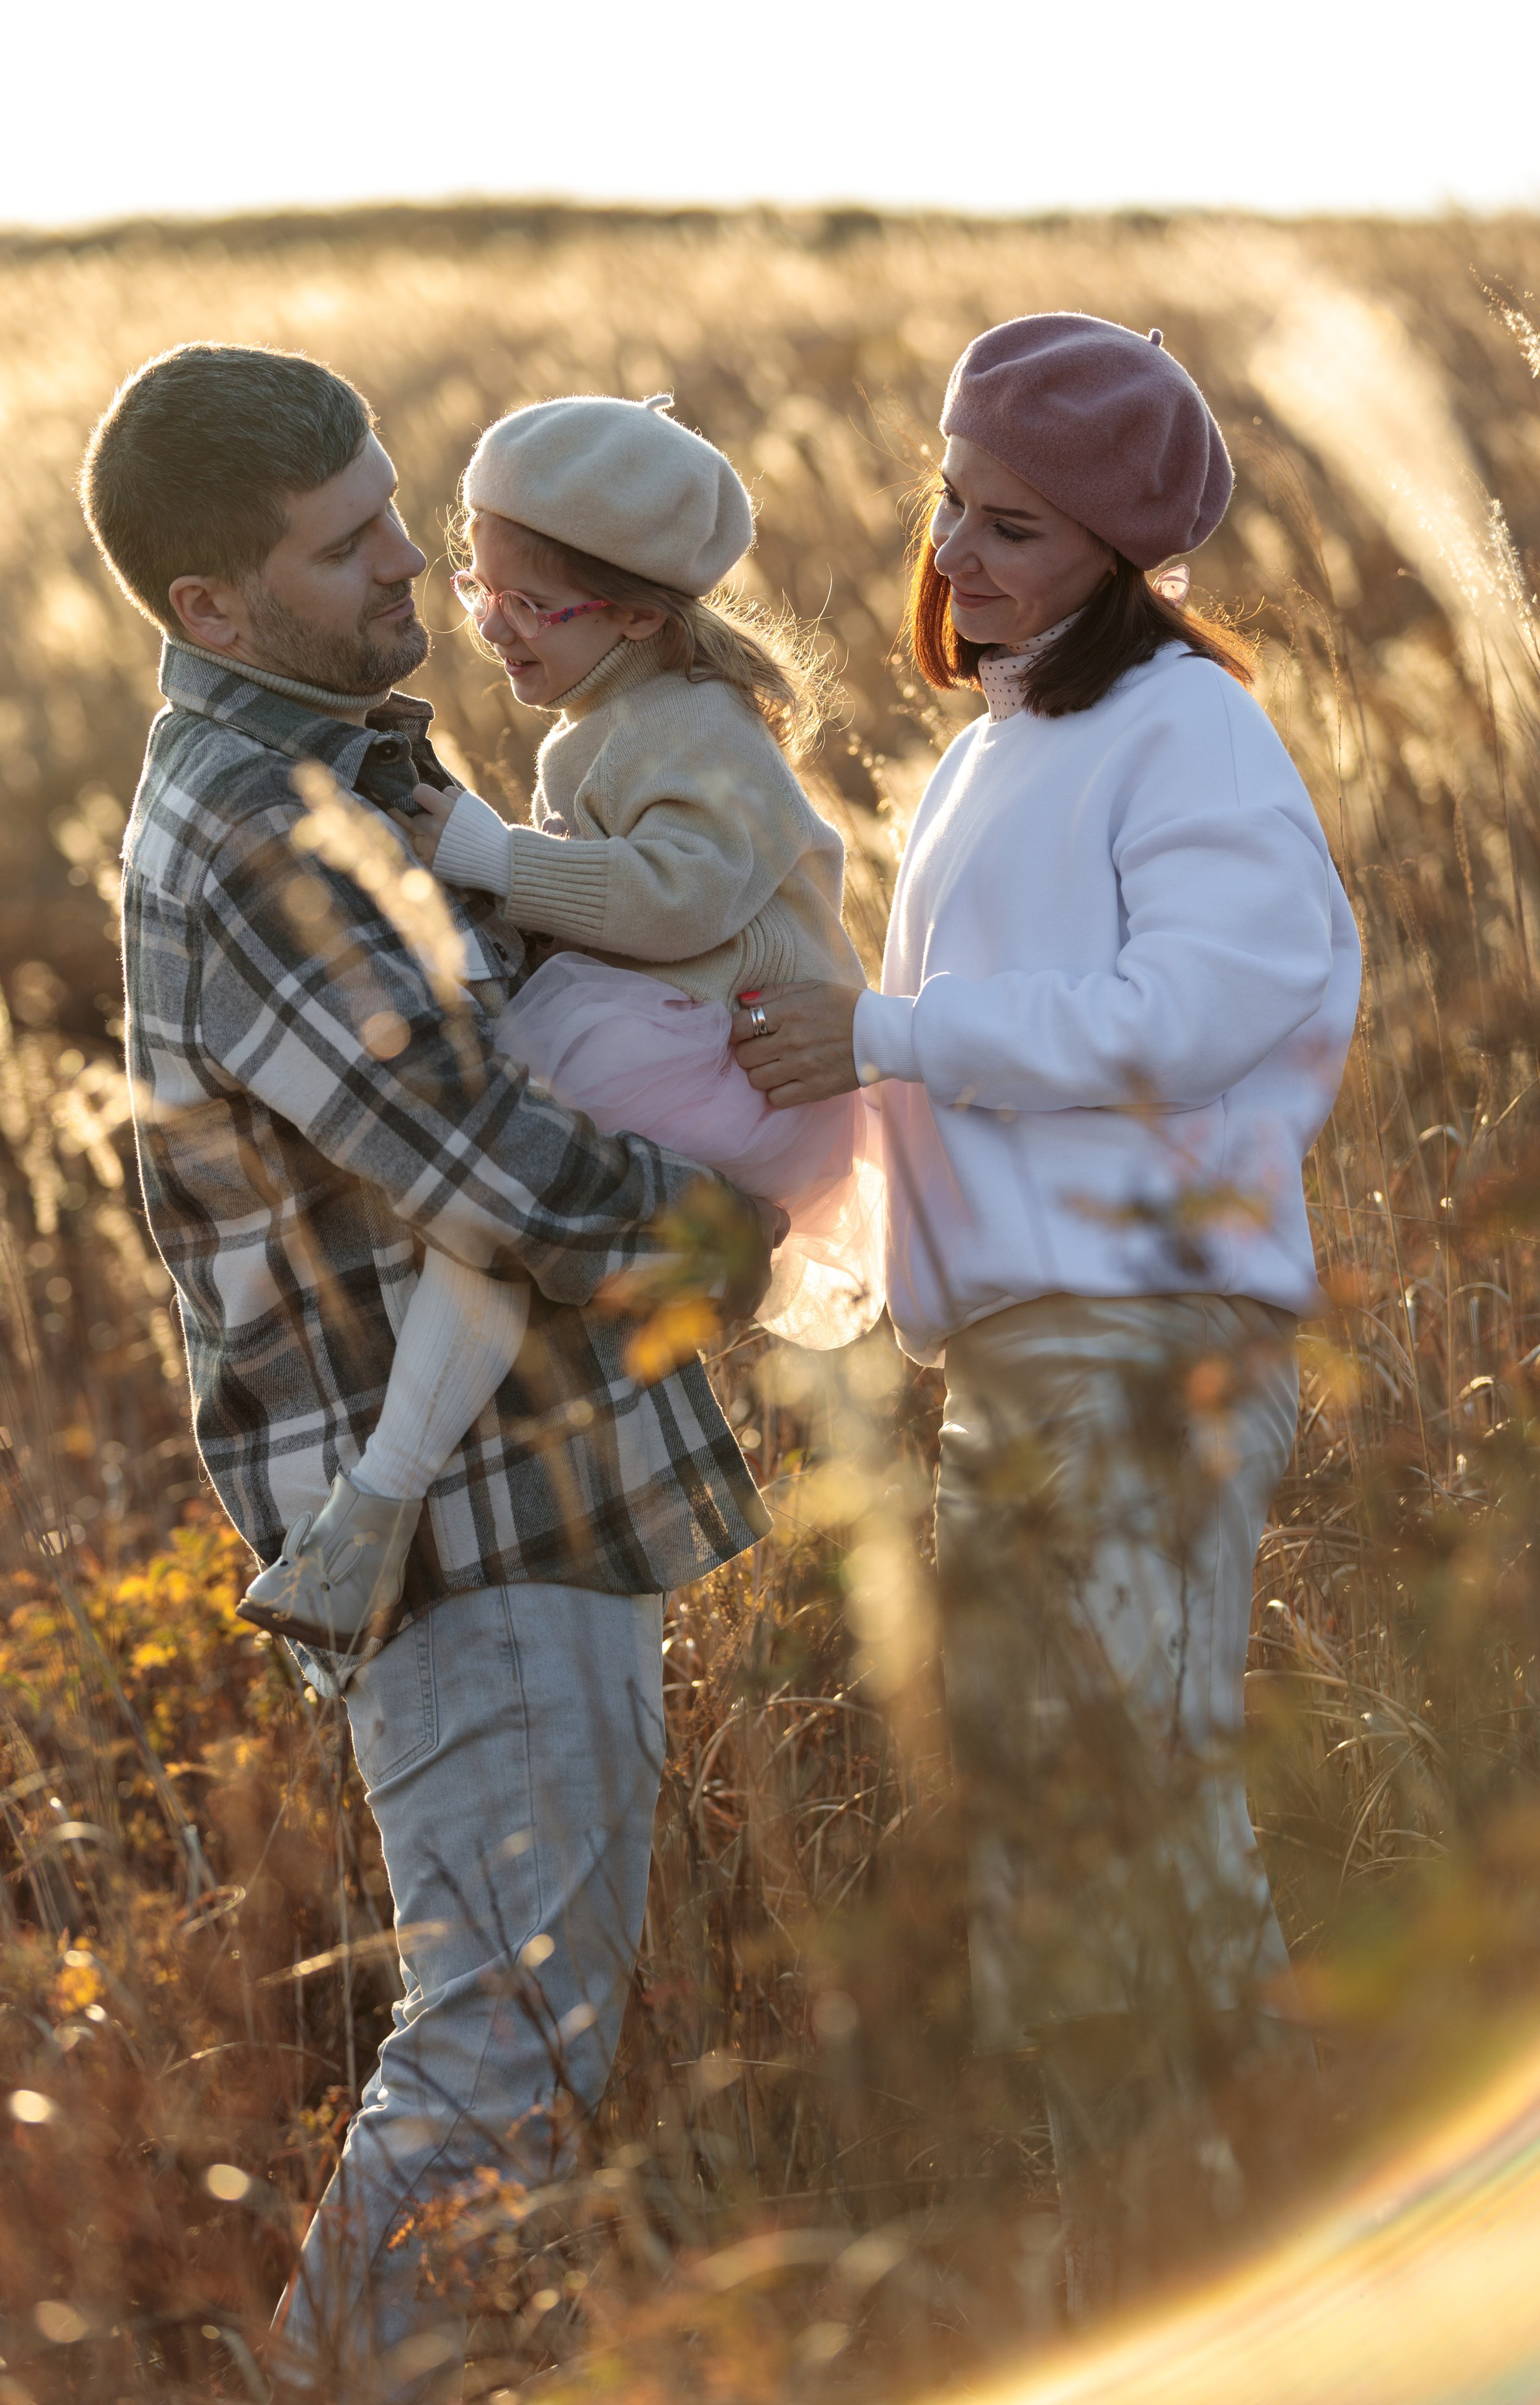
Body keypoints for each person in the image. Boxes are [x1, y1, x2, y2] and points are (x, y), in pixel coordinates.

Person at [80, 341, 779, 2400]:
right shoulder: (272, 828)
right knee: (502, 2044)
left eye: (394, 507)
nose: (416, 566)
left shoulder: (344, 770)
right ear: (214, 609)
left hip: (514, 1482)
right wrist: (776, 1211)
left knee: (522, 2032)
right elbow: (499, 1171)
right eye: (349, 543)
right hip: (473, 1526)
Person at [727, 312, 1362, 2298]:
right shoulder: (1013, 738)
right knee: (1075, 1856)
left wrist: (890, 1030)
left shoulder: (1186, 729)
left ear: (1121, 552)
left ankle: (1262, 2278)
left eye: (1016, 522)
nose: (962, 549)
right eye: (954, 500)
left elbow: (1202, 1010)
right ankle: (1162, 2268)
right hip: (1024, 1356)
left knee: (1129, 1832)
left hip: (1144, 1337)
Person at [247, 391, 882, 1650]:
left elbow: (678, 892)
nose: (490, 629)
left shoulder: (704, 729)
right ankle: (379, 1509)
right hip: (684, 1037)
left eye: (530, 609)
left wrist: (494, 856)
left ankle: (378, 1506)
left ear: (643, 615)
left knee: (485, 1186)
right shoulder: (612, 717)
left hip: (743, 1059)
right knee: (487, 1215)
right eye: (480, 588)